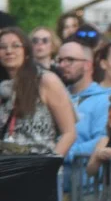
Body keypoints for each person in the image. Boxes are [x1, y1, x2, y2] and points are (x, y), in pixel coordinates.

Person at [0, 27, 76, 156]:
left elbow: (69, 133)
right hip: (6, 170)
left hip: (38, 167)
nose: (9, 51)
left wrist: (49, 165)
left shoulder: (46, 80)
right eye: (2, 47)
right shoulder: (3, 88)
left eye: (16, 46)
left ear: (27, 52)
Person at [57, 41, 111, 170]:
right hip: (56, 182)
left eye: (70, 60)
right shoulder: (58, 96)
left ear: (87, 64)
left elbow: (102, 140)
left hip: (86, 186)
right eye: (60, 60)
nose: (63, 65)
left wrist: (62, 152)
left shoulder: (103, 100)